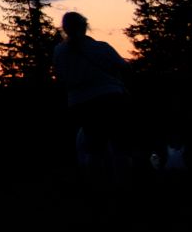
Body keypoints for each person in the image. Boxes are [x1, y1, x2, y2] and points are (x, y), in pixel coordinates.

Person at [51, 11, 132, 183]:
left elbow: (61, 78)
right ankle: (123, 183)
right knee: (119, 144)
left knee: (94, 147)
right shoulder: (101, 48)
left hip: (80, 103)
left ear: (64, 29)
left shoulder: (59, 52)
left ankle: (97, 184)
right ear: (85, 27)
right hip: (110, 98)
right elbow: (125, 69)